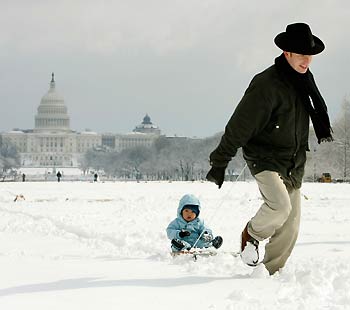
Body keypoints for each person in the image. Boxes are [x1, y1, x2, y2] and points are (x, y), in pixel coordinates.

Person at [206, 23, 333, 275]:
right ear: (287, 53)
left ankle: (269, 273)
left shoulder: (304, 80)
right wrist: (220, 161)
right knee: (280, 207)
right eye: (301, 54)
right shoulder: (266, 84)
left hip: (293, 161)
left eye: (310, 55)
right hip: (264, 158)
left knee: (291, 226)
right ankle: (251, 234)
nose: (307, 60)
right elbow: (239, 126)